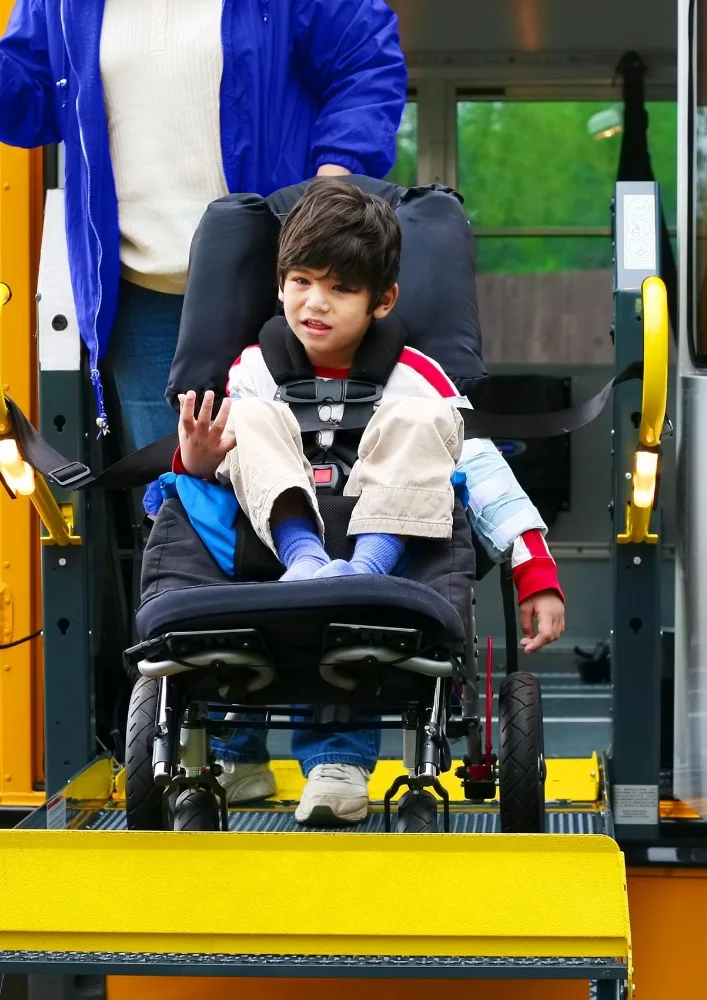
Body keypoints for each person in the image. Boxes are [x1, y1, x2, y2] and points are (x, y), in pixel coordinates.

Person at [172, 179, 567, 826]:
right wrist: (198, 457)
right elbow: (218, 473)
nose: (315, 304)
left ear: (383, 301)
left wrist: (534, 568)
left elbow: (483, 471)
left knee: (423, 421)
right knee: (250, 419)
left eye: (340, 289)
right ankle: (237, 754)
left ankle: (339, 753)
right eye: (300, 281)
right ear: (278, 285)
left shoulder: (416, 376)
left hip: (384, 559)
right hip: (277, 552)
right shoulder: (254, 370)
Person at [0, 0, 406, 449]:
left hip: (280, 287)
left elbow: (365, 62)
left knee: (302, 485)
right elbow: (26, 107)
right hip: (143, 298)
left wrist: (329, 197)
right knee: (174, 500)